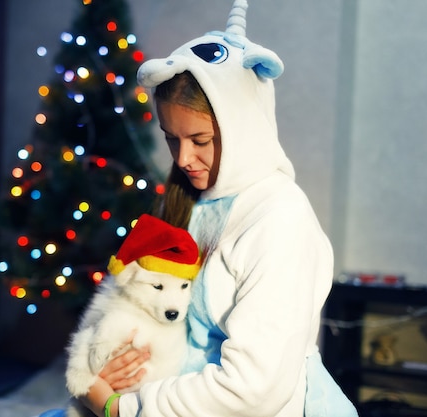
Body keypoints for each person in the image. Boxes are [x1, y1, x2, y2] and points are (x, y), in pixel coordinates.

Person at [76, 1, 359, 416]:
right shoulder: (186, 200)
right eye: (172, 139)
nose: (184, 158)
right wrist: (95, 370)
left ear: (243, 128)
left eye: (200, 140)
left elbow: (252, 390)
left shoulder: (280, 219)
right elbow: (124, 297)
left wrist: (124, 408)